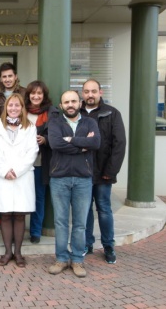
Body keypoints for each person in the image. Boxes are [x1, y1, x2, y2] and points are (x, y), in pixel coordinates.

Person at [47, 90, 100, 278]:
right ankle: (61, 258)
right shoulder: (54, 123)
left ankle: (77, 260)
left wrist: (72, 140)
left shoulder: (90, 122)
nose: (70, 104)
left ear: (80, 103)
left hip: (83, 179)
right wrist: (82, 146)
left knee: (80, 224)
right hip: (59, 178)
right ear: (61, 106)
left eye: (73, 101)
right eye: (66, 102)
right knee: (60, 222)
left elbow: (96, 143)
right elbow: (55, 144)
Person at [0, 93, 38, 267]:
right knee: (6, 215)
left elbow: (32, 152)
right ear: (5, 107)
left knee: (20, 215)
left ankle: (18, 253)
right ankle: (7, 252)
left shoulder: (30, 127)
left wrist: (16, 171)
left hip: (22, 177)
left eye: (17, 105)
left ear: (22, 108)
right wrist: (4, 170)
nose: (14, 108)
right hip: (1, 177)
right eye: (11, 105)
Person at [81, 79, 126, 264]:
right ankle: (87, 243)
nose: (90, 95)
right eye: (86, 91)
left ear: (100, 92)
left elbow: (119, 144)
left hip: (103, 173)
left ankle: (108, 246)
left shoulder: (112, 113)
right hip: (82, 172)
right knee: (85, 211)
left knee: (104, 209)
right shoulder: (77, 113)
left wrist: (111, 170)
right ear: (82, 93)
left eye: (93, 91)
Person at [0, 62, 25, 230]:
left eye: (10, 76)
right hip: (2, 138)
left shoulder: (24, 92)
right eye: (4, 77)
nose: (8, 79)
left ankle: (17, 218)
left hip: (20, 137)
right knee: (3, 180)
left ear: (15, 76)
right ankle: (0, 216)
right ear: (1, 79)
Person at [24, 80, 55, 244]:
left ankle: (35, 231)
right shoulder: (21, 110)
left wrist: (45, 139)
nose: (36, 96)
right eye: (33, 93)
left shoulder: (51, 112)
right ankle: (18, 231)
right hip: (21, 163)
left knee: (38, 197)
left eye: (39, 93)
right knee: (20, 197)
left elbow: (57, 135)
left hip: (40, 163)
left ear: (44, 95)